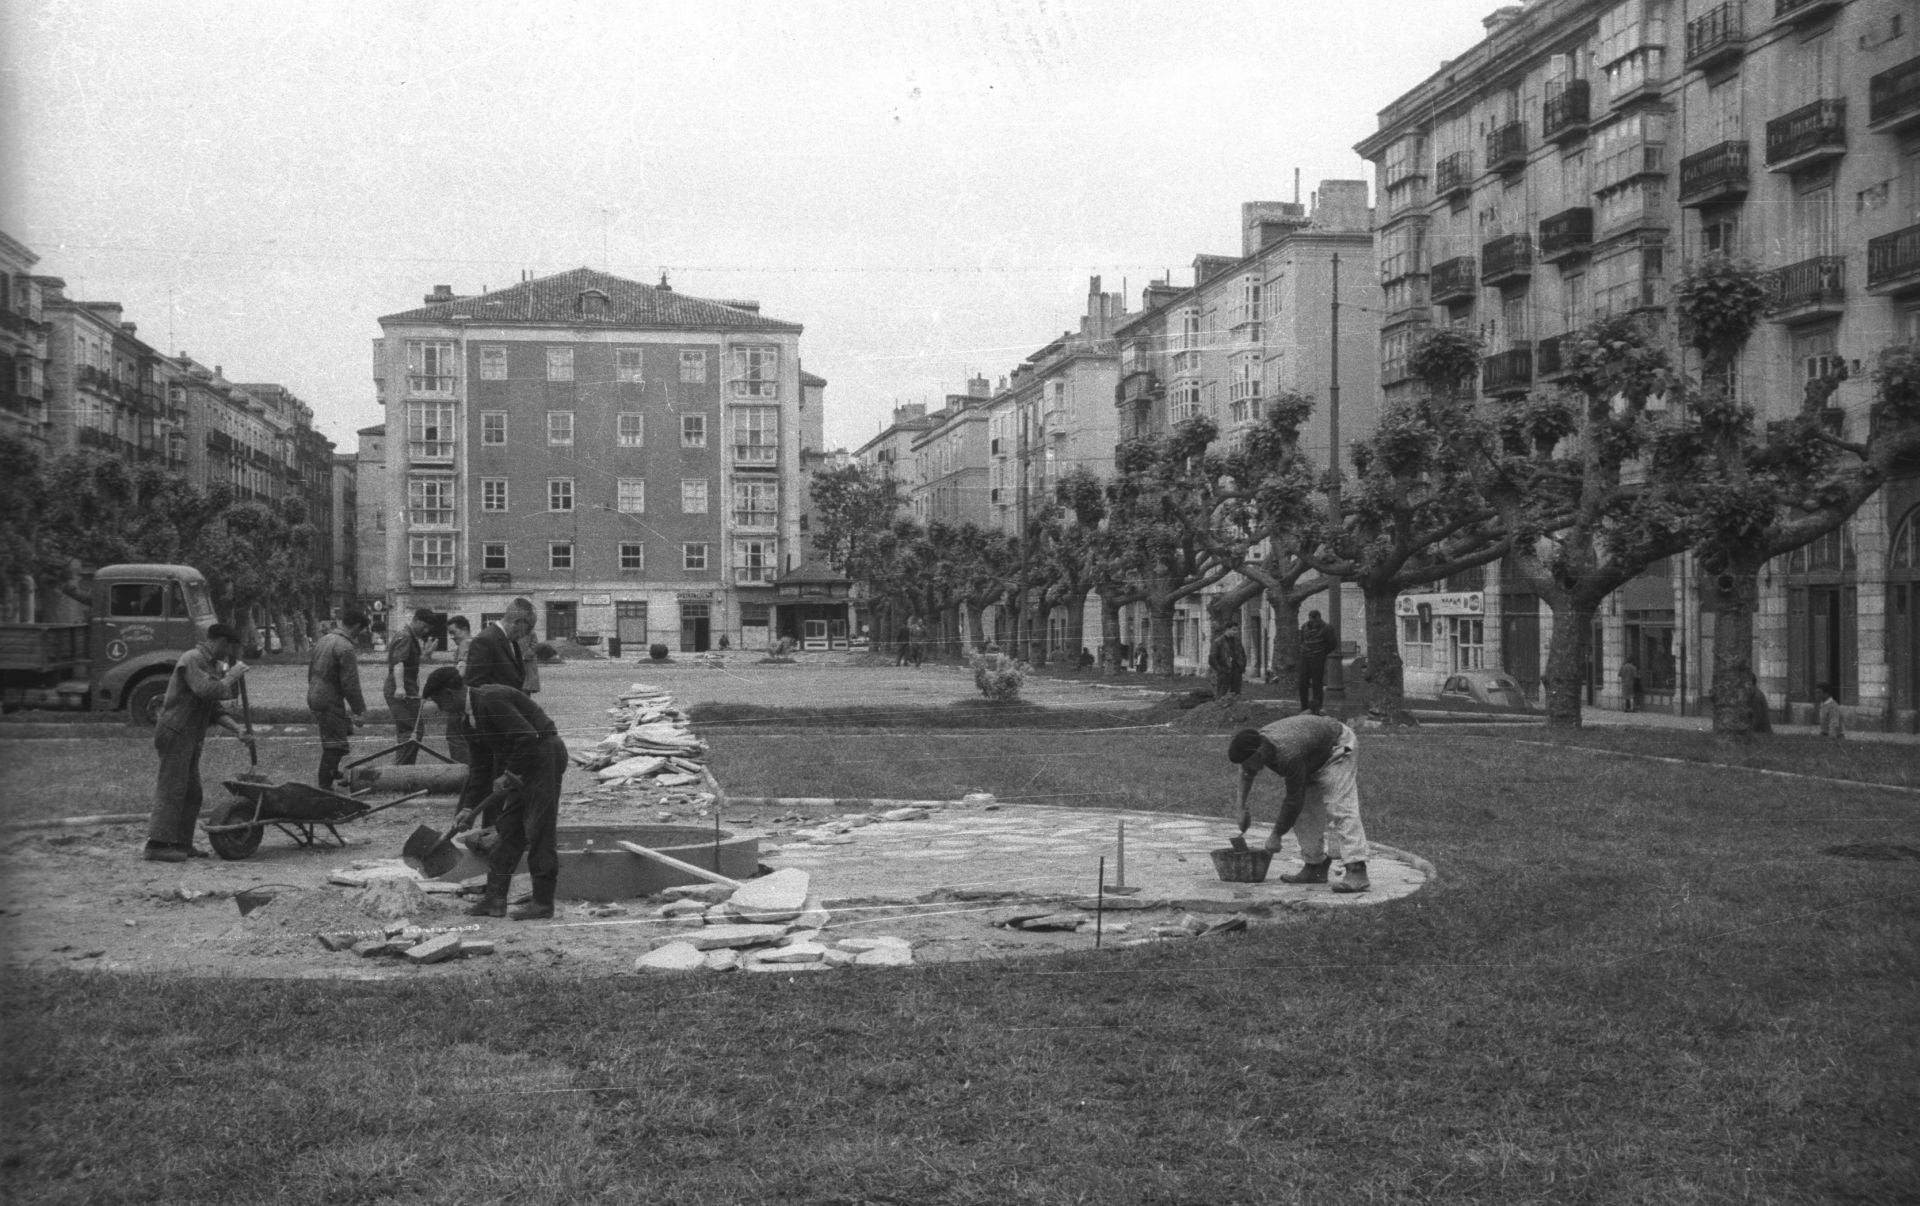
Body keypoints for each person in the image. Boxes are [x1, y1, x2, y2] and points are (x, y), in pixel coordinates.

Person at [421, 667, 568, 921]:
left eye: (438, 701)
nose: (440, 708)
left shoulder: (490, 700)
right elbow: (479, 766)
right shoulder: (464, 719)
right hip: (521, 761)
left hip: (544, 756)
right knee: (509, 828)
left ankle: (543, 903)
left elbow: (527, 736)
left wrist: (509, 772)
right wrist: (468, 807)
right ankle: (495, 900)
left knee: (538, 830)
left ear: (449, 693)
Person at [144, 623, 253, 862]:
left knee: (193, 793)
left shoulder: (211, 664)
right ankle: (157, 845)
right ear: (219, 641)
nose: (229, 653)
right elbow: (206, 690)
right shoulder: (192, 658)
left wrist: (238, 730)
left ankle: (182, 843)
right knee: (172, 788)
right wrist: (231, 677)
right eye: (229, 647)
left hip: (190, 735)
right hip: (175, 731)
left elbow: (213, 707)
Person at [1228, 714, 1371, 893]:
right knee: (1305, 813)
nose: (1244, 767)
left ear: (1258, 754)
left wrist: (1276, 835)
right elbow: (1246, 772)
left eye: (1246, 762)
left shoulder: (1288, 754)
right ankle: (1314, 867)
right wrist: (1240, 807)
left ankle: (1357, 870)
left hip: (1337, 746)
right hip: (1311, 755)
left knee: (1340, 806)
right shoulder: (1260, 744)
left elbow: (1293, 799)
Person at [307, 608, 369, 791]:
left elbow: (310, 671)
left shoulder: (324, 640)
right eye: (362, 630)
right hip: (329, 698)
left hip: (315, 694)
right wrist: (360, 710)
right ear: (357, 626)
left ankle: (332, 772)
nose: (361, 634)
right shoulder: (345, 647)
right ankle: (324, 787)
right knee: (336, 745)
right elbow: (350, 684)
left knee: (338, 735)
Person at [383, 608, 432, 764]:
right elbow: (399, 662)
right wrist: (400, 687)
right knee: (412, 730)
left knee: (410, 729)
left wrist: (425, 655)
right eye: (424, 626)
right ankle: (401, 771)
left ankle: (403, 769)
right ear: (416, 620)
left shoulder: (408, 636)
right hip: (400, 688)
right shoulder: (405, 636)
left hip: (405, 686)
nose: (426, 630)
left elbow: (409, 662)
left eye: (428, 628)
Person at [464, 602, 531, 690]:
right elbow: (474, 685)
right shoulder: (485, 640)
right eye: (529, 627)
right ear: (517, 622)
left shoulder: (512, 641)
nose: (528, 633)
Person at [1298, 609, 1336, 715]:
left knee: (1317, 683)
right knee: (1302, 683)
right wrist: (1303, 650)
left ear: (1319, 618)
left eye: (1316, 619)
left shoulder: (1327, 628)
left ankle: (1317, 707)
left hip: (1318, 657)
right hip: (1305, 657)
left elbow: (1332, 644)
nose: (1314, 622)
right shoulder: (1304, 627)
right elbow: (1301, 640)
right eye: (1312, 619)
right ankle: (1304, 707)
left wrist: (1322, 652)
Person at [1208, 618, 1247, 698]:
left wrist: (1242, 667)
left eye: (1237, 630)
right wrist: (1220, 670)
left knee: (1236, 694)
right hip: (1225, 671)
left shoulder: (1237, 641)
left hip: (1236, 670)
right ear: (1227, 629)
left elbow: (1242, 655)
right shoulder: (1218, 642)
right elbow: (1212, 658)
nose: (1236, 632)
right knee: (1222, 693)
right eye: (1234, 630)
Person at [1747, 669, 1772, 734]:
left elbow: (1757, 720)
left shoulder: (1756, 697)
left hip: (1761, 734)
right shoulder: (1756, 693)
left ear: (1751, 683)